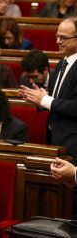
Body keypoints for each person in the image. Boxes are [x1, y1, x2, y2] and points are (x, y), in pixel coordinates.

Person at [19, 17, 77, 218]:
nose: (58, 41)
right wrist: (39, 99)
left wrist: (46, 101)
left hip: (74, 144)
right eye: (57, 36)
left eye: (64, 37)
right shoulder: (62, 63)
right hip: (57, 141)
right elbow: (58, 100)